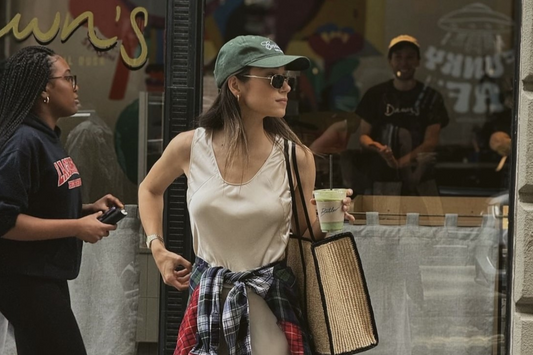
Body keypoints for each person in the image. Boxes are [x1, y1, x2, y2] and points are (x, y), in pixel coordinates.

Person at [138, 35, 355, 355]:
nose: (287, 87)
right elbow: (150, 188)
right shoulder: (190, 146)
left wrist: (334, 217)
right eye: (275, 79)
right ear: (235, 85)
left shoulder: (296, 158)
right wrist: (157, 247)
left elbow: (305, 232)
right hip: (207, 300)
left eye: (287, 79)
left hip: (271, 305)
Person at [0, 46, 124, 355]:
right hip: (23, 279)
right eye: (68, 77)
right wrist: (76, 227)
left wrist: (88, 211)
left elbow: (38, 204)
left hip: (45, 275)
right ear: (44, 89)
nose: (76, 85)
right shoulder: (23, 141)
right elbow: (4, 220)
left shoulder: (48, 136)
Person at [357, 35, 449, 195]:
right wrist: (379, 149)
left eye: (410, 57)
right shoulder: (375, 94)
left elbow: (431, 141)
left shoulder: (431, 97)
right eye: (398, 57)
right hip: (383, 179)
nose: (404, 63)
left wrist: (400, 163)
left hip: (422, 178)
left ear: (418, 61)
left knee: (427, 220)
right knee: (381, 219)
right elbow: (363, 136)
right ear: (390, 61)